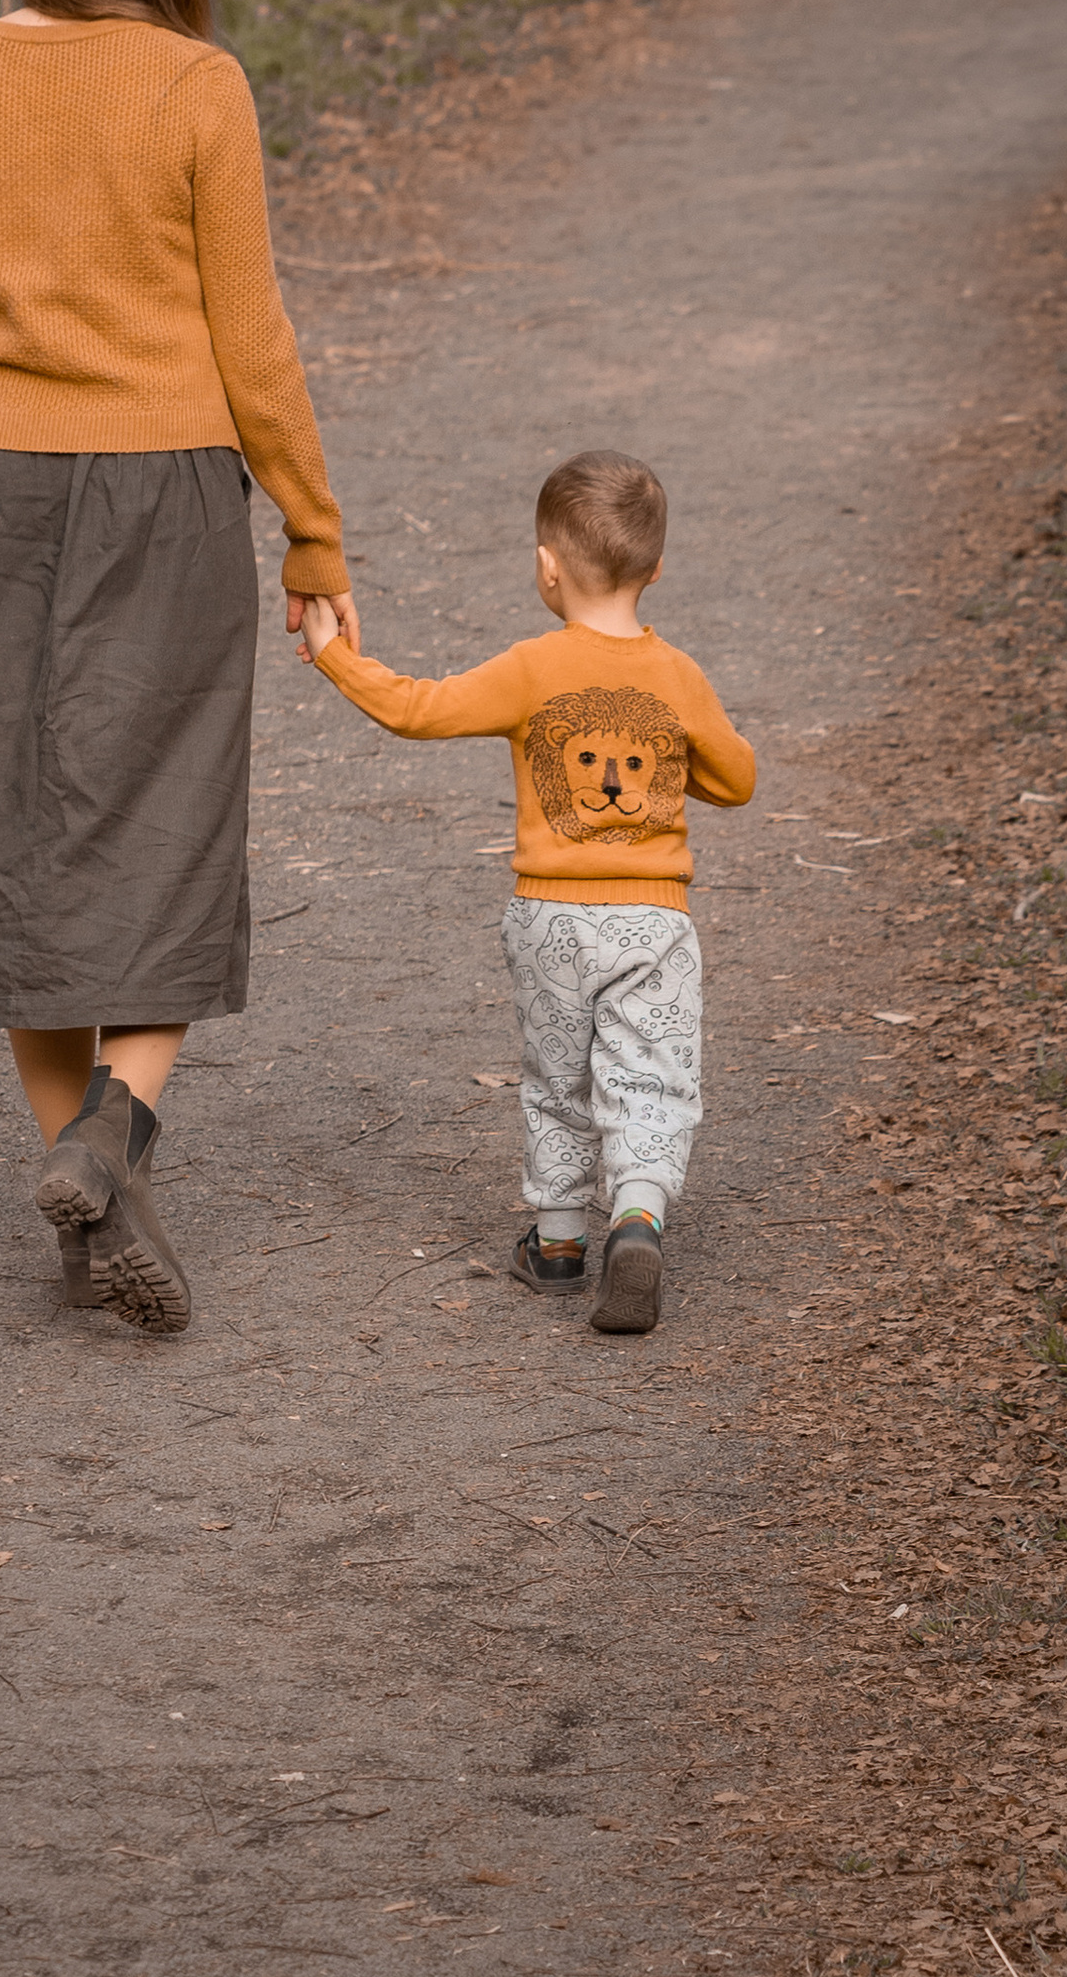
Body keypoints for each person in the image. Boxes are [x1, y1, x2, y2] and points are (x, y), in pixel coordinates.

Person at [0, 0, 355, 1333]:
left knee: (21, 829)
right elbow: (251, 337)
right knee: (169, 814)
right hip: (171, 489)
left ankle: (85, 1183)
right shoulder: (202, 86)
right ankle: (114, 1139)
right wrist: (313, 527)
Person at [304, 450, 752, 1335]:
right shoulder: (680, 676)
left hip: (547, 916)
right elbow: (736, 779)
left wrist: (332, 656)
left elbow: (418, 708)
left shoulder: (530, 667)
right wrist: (667, 760)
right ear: (656, 569)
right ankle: (638, 1219)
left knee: (558, 1076)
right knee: (651, 1074)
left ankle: (556, 1244)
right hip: (653, 918)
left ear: (547, 566)